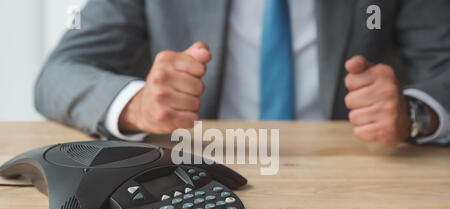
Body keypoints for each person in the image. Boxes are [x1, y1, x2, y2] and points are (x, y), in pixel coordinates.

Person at [35, 0, 450, 146]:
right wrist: (136, 105)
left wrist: (415, 113)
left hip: (349, 180)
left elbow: (443, 69)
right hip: (198, 177)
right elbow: (59, 74)